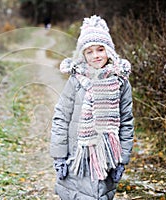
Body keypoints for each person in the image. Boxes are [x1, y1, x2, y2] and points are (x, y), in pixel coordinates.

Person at [50, 15, 134, 199]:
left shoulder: (121, 82)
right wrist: (59, 156)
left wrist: (122, 160)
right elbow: (61, 117)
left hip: (107, 160)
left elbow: (127, 121)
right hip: (76, 158)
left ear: (109, 50)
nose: (96, 55)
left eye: (100, 49)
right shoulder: (76, 81)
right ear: (83, 55)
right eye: (89, 52)